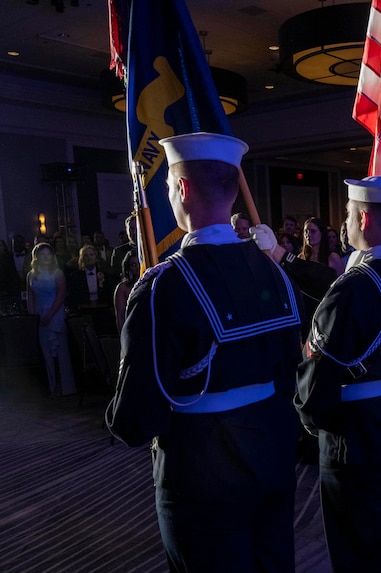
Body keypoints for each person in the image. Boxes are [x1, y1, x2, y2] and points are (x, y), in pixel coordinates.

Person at [105, 132, 304, 572]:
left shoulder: (163, 285)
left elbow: (136, 419)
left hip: (203, 471)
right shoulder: (275, 271)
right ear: (233, 189)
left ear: (181, 188)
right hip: (273, 456)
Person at [293, 175, 381, 572]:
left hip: (356, 433)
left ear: (364, 218)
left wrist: (311, 418)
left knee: (356, 545)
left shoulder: (352, 288)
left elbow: (317, 374)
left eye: (349, 214)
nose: (345, 223)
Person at [27, 242, 76, 396]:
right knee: (46, 352)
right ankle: (52, 387)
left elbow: (61, 296)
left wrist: (49, 315)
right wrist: (34, 316)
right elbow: (30, 297)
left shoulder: (58, 273)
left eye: (48, 253)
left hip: (56, 313)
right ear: (37, 257)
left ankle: (67, 388)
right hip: (39, 315)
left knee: (61, 351)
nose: (46, 257)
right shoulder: (31, 275)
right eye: (42, 254)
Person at [67, 244, 113, 312]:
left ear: (96, 257)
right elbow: (72, 296)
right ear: (82, 259)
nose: (89, 257)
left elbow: (109, 294)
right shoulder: (75, 276)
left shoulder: (105, 275)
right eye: (86, 255)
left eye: (91, 255)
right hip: (83, 311)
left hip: (103, 310)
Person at [112, 251, 140, 334]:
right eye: (133, 265)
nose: (137, 267)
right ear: (128, 268)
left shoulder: (151, 283)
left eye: (139, 263)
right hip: (131, 330)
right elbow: (120, 316)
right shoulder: (122, 288)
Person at [110, 214, 138, 279]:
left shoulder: (149, 249)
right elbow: (114, 277)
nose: (134, 232)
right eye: (131, 229)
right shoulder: (118, 252)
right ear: (127, 230)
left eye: (136, 229)